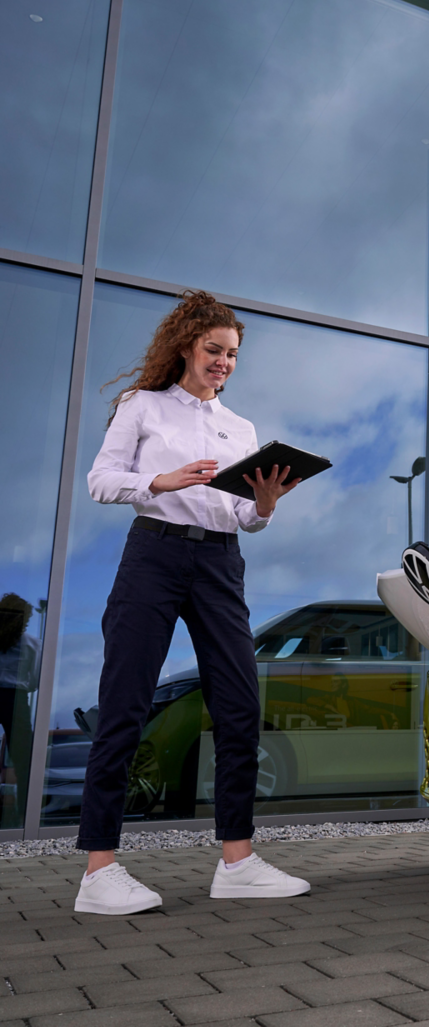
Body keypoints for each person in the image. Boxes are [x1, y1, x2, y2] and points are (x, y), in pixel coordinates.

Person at [74, 290, 308, 915]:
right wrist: (160, 480)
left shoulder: (243, 429)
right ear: (186, 346)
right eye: (214, 349)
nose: (224, 362)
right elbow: (100, 480)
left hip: (219, 563)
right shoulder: (142, 406)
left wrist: (262, 504)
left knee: (239, 706)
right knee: (125, 704)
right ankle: (99, 871)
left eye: (232, 354)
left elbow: (242, 515)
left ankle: (237, 862)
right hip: (153, 555)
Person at [0, 593, 40, 827]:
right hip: (15, 700)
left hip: (13, 697)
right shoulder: (31, 644)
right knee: (24, 760)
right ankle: (24, 816)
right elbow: (34, 680)